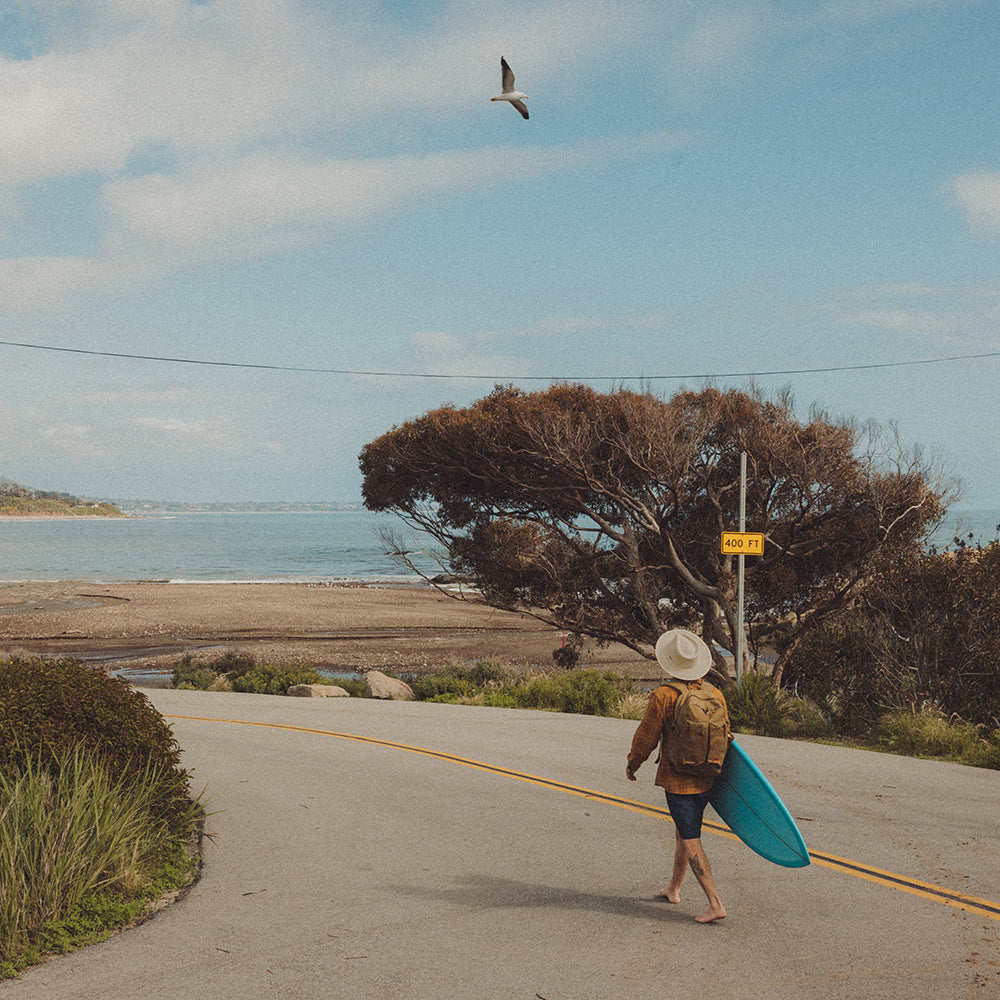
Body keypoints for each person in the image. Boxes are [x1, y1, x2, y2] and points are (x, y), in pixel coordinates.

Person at [626, 628, 729, 924]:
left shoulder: (663, 696)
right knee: (683, 831)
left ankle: (715, 903)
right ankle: (674, 888)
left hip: (679, 782)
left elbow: (645, 737)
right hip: (710, 778)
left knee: (690, 836)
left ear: (668, 663)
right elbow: (728, 735)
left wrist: (633, 764)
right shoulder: (714, 693)